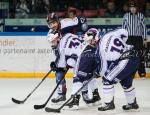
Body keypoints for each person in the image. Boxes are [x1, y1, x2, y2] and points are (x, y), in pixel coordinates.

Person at [46, 13, 100, 104]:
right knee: (84, 73)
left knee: (79, 74)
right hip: (76, 49)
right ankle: (61, 94)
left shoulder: (66, 23)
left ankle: (83, 95)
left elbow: (82, 19)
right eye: (50, 24)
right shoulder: (51, 34)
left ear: (58, 21)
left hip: (77, 48)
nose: (52, 26)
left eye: (54, 23)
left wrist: (84, 30)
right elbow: (56, 49)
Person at [96, 28, 140, 111]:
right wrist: (123, 43)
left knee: (107, 79)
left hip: (126, 60)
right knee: (126, 83)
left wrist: (98, 73)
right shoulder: (109, 34)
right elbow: (124, 31)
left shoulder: (99, 47)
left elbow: (103, 68)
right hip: (134, 56)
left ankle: (109, 104)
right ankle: (132, 104)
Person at [66, 28, 101, 109]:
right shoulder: (98, 41)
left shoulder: (85, 40)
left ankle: (75, 101)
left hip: (86, 58)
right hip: (94, 60)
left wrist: (72, 59)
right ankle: (96, 96)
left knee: (78, 77)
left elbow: (78, 51)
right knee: (90, 77)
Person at [122, 3, 147, 79]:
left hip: (138, 38)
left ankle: (142, 73)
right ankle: (129, 73)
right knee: (129, 56)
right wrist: (123, 38)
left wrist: (145, 39)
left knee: (140, 55)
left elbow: (144, 28)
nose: (133, 9)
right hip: (129, 38)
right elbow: (123, 28)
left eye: (134, 8)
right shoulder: (126, 16)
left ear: (136, 8)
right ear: (129, 8)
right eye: (131, 8)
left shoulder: (141, 15)